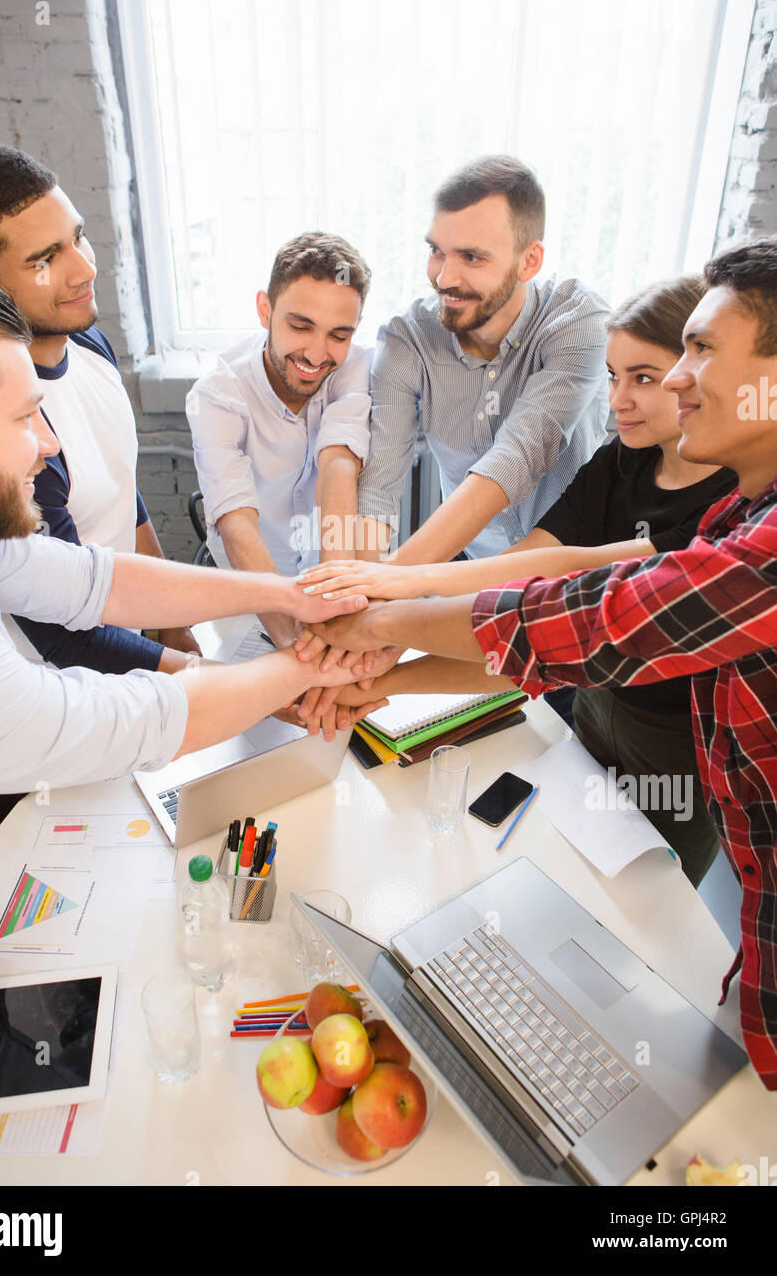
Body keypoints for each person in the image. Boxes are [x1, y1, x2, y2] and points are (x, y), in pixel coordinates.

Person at [293, 239, 777, 1091]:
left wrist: (381, 619)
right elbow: (553, 599)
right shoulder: (736, 510)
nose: (668, 383)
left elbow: (591, 623)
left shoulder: (757, 550)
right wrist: (387, 663)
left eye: (700, 351)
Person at [0, 277, 375, 1006]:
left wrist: (285, 594)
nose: (49, 445)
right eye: (26, 418)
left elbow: (101, 581)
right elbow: (139, 717)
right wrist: (311, 661)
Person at [296, 276, 738, 886]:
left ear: (695, 373)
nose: (617, 401)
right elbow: (529, 587)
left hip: (675, 752)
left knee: (652, 910)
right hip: (591, 712)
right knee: (572, 880)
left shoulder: (726, 515)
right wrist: (383, 671)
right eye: (612, 376)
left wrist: (395, 593)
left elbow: (562, 589)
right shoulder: (623, 458)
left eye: (643, 377)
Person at [0, 140, 199, 676]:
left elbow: (118, 488)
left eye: (78, 238)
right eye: (45, 259)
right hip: (67, 682)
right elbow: (68, 637)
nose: (84, 270)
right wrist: (216, 684)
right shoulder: (2, 428)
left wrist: (173, 619)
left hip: (137, 645)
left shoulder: (89, 343)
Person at [354, 154, 610, 565]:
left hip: (572, 569)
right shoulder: (407, 338)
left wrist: (387, 584)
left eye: (472, 258)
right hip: (471, 561)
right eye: (437, 251)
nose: (444, 278)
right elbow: (378, 485)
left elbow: (516, 458)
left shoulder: (578, 320)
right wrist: (360, 591)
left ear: (529, 261)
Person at [185, 232, 372, 650]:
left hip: (333, 571)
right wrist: (292, 639)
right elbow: (236, 523)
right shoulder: (217, 394)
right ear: (264, 309)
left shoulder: (357, 367)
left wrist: (333, 604)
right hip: (250, 592)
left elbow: (338, 467)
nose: (316, 354)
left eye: (338, 335)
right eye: (300, 326)